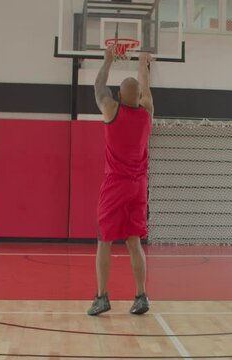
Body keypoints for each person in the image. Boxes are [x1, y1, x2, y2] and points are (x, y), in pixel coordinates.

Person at [87, 46, 154, 316]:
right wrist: (143, 63)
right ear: (138, 97)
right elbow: (146, 90)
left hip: (116, 185)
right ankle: (141, 296)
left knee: (104, 240)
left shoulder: (112, 110)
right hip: (138, 187)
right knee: (134, 242)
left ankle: (102, 297)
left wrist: (108, 60)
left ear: (118, 96)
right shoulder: (147, 112)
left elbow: (98, 87)